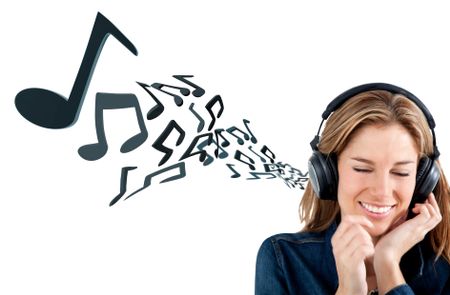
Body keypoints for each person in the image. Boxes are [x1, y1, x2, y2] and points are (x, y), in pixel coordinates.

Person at [255, 83, 450, 295]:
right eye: (362, 169)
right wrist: (348, 289)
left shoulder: (444, 270)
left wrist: (388, 264)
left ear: (422, 181)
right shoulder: (283, 260)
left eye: (401, 173)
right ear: (328, 173)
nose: (382, 191)